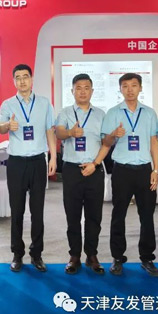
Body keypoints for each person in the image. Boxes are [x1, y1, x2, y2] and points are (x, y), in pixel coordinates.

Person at [101, 73, 158, 277]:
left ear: (140, 88)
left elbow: (153, 142)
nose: (130, 90)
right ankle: (118, 258)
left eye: (134, 85)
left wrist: (155, 169)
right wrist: (113, 135)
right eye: (125, 86)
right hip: (122, 170)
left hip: (144, 170)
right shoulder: (113, 113)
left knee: (147, 215)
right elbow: (105, 142)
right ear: (120, 89)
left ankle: (147, 258)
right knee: (118, 214)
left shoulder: (149, 113)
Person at [0, 64, 56, 273]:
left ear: (31, 79)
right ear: (14, 81)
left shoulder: (44, 103)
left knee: (37, 211)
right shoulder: (8, 104)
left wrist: (53, 157)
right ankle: (17, 254)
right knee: (17, 211)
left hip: (38, 161)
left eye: (25, 76)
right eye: (18, 77)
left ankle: (36, 254)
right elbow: (0, 127)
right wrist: (8, 126)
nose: (22, 81)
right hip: (16, 163)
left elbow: (50, 130)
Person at [55, 74, 111, 275]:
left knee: (94, 216)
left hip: (94, 170)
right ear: (72, 91)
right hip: (72, 170)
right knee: (73, 215)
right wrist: (70, 133)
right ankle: (74, 256)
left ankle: (92, 255)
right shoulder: (65, 112)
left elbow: (106, 143)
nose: (82, 91)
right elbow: (58, 133)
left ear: (92, 91)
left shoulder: (101, 115)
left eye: (86, 88)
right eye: (78, 88)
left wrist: (95, 164)